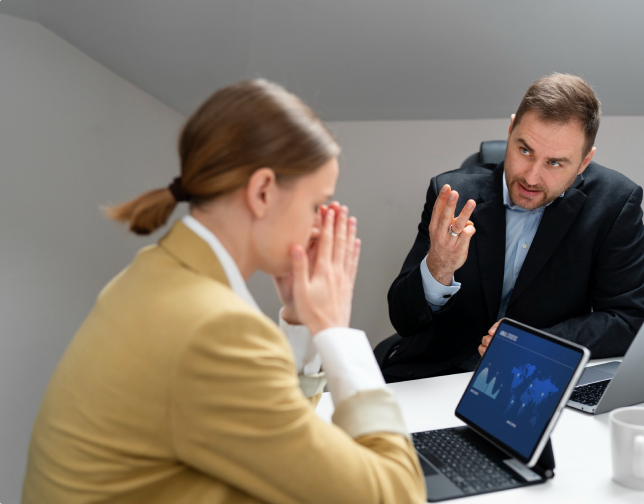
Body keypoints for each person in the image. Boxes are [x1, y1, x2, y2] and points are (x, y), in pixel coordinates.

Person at [22, 80, 425, 503]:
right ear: (263, 191)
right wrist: (335, 332)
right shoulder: (215, 330)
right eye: (315, 205)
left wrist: (302, 321)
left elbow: (277, 442)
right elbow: (395, 494)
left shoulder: (153, 272)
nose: (318, 226)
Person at [383, 73, 644, 382]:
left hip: (533, 375)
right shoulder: (452, 194)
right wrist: (438, 268)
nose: (531, 178)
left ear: (583, 162)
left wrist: (534, 344)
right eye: (524, 150)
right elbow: (403, 319)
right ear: (510, 130)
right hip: (438, 373)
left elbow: (629, 320)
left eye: (555, 163)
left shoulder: (614, 204)